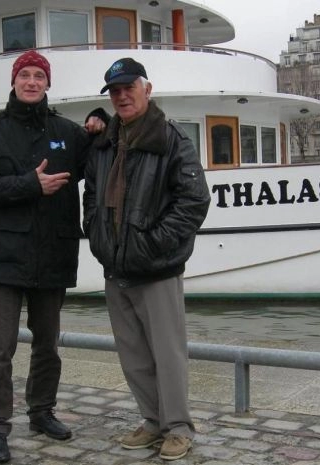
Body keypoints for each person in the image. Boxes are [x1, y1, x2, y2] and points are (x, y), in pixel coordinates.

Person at [0, 50, 107, 464]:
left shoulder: (67, 132)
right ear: (14, 81)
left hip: (53, 253)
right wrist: (30, 184)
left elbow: (103, 151)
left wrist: (101, 120)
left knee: (48, 345)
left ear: (48, 84)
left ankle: (42, 412)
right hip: (4, 258)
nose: (31, 82)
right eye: (24, 75)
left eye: (38, 76)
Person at [83, 57, 211, 461]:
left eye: (129, 88)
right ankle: (153, 420)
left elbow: (194, 201)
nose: (122, 96)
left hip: (156, 268)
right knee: (133, 355)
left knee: (167, 354)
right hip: (115, 266)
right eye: (115, 91)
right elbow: (91, 195)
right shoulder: (104, 142)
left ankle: (178, 427)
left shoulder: (171, 139)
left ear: (147, 89)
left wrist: (153, 244)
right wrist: (98, 237)